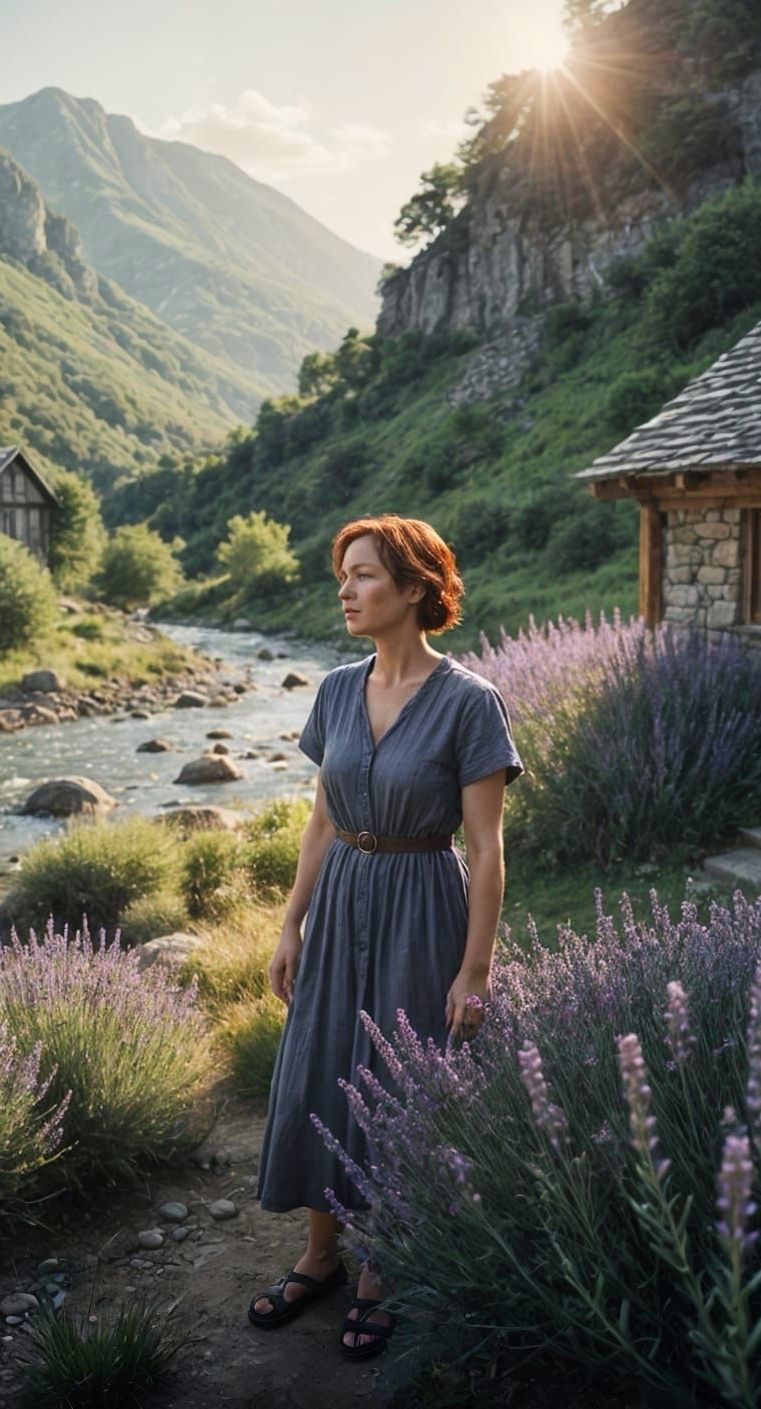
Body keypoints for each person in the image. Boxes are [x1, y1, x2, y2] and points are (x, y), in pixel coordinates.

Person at [246, 514, 524, 1361]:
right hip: (342, 901)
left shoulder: (470, 703)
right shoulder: (335, 689)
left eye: (364, 575)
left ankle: (387, 1264)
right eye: (345, 574)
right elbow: (322, 821)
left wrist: (475, 969)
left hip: (421, 899)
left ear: (414, 590)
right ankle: (321, 1255)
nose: (346, 589)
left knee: (404, 1082)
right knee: (324, 1069)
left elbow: (486, 850)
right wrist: (292, 921)